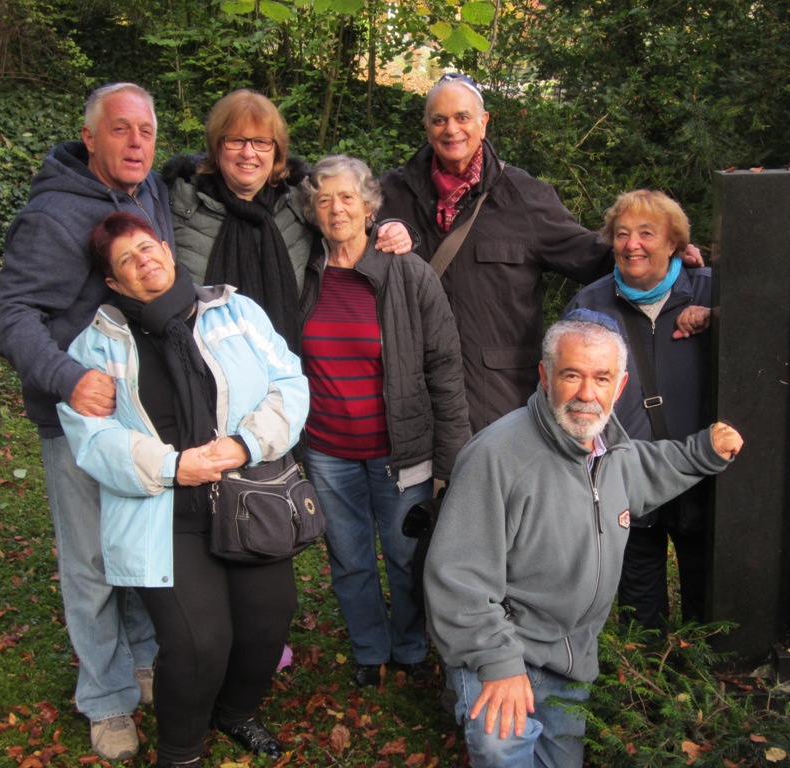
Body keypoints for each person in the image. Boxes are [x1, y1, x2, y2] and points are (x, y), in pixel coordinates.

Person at [423, 311, 743, 768]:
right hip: (506, 648)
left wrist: (706, 450)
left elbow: (652, 468)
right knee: (501, 750)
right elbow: (457, 578)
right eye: (571, 375)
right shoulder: (497, 456)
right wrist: (498, 664)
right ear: (544, 375)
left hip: (574, 661)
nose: (587, 394)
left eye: (601, 378)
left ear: (621, 384)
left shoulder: (609, 450)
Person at [58, 212, 309, 768]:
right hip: (163, 512)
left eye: (149, 247)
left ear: (169, 252)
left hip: (247, 499)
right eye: (127, 258)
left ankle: (237, 712)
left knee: (268, 623)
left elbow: (290, 385)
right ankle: (181, 752)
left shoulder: (236, 313)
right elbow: (92, 441)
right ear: (114, 282)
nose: (144, 259)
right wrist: (173, 466)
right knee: (199, 644)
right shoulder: (95, 348)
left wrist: (245, 443)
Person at [0, 82, 170, 761]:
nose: (135, 143)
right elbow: (8, 317)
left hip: (143, 414)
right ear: (90, 137)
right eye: (120, 130)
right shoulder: (54, 217)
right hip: (80, 420)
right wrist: (68, 378)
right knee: (92, 562)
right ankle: (106, 698)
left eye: (146, 131)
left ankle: (143, 661)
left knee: (139, 549)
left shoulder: (147, 193)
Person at [378, 73, 704, 432]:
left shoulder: (524, 196)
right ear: (426, 127)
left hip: (497, 400)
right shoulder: (390, 196)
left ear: (483, 123)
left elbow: (593, 258)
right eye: (439, 119)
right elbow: (342, 244)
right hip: (411, 394)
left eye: (462, 117)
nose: (451, 129)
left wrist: (661, 257)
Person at [298, 155, 471, 687]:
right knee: (349, 558)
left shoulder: (407, 271)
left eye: (347, 197)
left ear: (371, 206)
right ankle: (369, 650)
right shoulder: (302, 273)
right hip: (328, 448)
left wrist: (454, 457)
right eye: (324, 199)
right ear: (312, 209)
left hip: (401, 449)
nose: (336, 209)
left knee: (406, 554)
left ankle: (412, 647)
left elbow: (444, 366)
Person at [161, 89, 413, 353]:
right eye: (236, 140)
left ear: (276, 151)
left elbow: (349, 222)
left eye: (261, 142)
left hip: (284, 373)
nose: (248, 153)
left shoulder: (298, 203)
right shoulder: (179, 202)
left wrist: (391, 228)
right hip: (201, 370)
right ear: (217, 146)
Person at [566, 190, 712, 632]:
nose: (633, 245)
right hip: (625, 477)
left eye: (647, 234)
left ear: (674, 244)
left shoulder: (709, 288)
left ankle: (706, 687)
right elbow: (567, 389)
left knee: (709, 597)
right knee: (639, 604)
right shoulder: (589, 306)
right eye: (623, 234)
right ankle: (647, 686)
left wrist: (720, 316)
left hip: (701, 469)